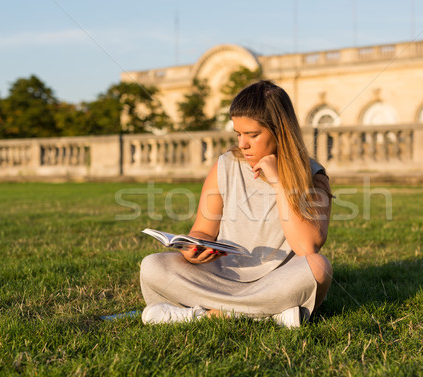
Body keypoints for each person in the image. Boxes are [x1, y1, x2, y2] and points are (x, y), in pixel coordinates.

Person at [140, 80, 333, 327]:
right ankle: (272, 315)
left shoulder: (312, 175)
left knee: (318, 267)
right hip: (221, 276)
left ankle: (200, 314)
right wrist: (193, 251)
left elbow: (307, 247)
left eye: (253, 135)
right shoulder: (226, 165)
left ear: (280, 131)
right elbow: (203, 230)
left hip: (275, 281)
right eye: (239, 134)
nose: (243, 144)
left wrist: (278, 183)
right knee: (152, 266)